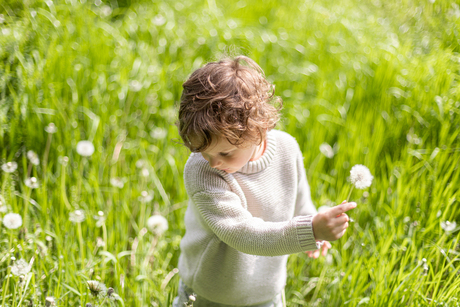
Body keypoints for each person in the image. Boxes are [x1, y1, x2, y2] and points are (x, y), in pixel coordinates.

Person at [174, 55, 356, 307]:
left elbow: (300, 201)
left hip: (266, 293)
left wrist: (319, 221)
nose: (213, 162)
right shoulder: (202, 171)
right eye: (203, 151)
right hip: (210, 294)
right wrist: (309, 230)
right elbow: (243, 234)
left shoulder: (287, 149)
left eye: (225, 153)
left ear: (257, 130)